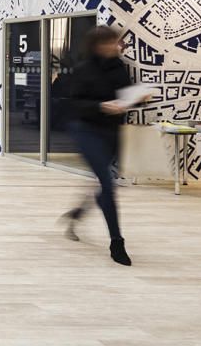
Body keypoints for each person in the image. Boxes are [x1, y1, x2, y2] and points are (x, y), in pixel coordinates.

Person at [58, 25, 150, 265]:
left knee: (104, 183)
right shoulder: (83, 69)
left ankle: (77, 213)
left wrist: (139, 100)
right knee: (107, 184)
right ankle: (116, 242)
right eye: (108, 43)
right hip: (85, 130)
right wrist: (101, 106)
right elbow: (75, 104)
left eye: (115, 42)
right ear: (96, 46)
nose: (114, 46)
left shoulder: (120, 67)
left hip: (112, 132)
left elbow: (124, 98)